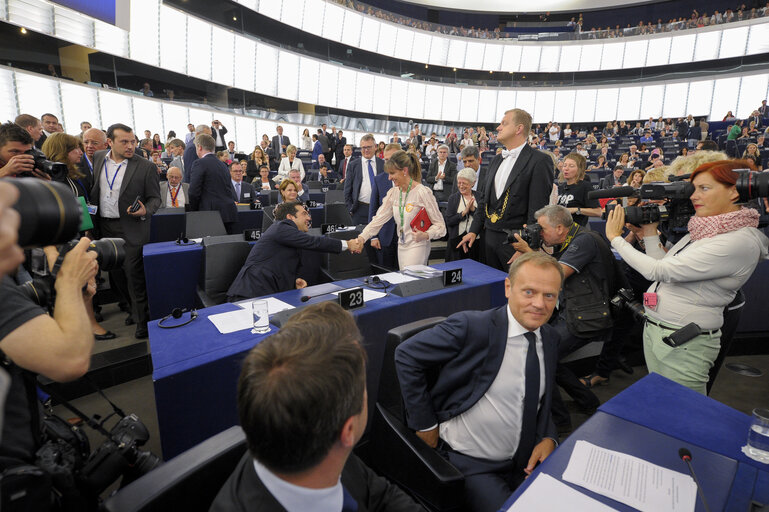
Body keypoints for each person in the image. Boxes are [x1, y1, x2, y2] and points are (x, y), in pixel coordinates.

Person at [210, 302, 423, 512]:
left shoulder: (325, 444)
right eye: (363, 388)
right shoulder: (326, 441)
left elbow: (380, 495)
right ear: (348, 431)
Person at [395, 252, 563, 512]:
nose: (539, 304)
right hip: (472, 465)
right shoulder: (472, 327)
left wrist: (549, 437)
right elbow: (406, 355)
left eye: (549, 295)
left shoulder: (550, 338)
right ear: (508, 288)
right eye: (529, 292)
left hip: (525, 460)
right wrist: (424, 423)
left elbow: (543, 397)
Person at [605, 159, 769, 394]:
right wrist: (650, 233)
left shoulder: (738, 240)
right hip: (661, 332)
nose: (693, 196)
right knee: (662, 402)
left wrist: (615, 238)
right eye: (694, 189)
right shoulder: (707, 229)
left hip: (684, 342)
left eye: (704, 188)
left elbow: (658, 271)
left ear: (734, 191)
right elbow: (666, 264)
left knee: (681, 414)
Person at [457, 109, 553, 271]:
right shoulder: (495, 160)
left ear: (519, 129)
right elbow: (484, 201)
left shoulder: (540, 161)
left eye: (504, 123)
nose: (498, 128)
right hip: (488, 241)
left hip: (516, 244)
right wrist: (474, 231)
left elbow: (537, 210)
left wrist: (526, 246)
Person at [91, 123, 161, 339]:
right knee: (116, 276)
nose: (131, 146)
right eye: (124, 142)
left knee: (134, 276)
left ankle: (142, 322)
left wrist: (144, 210)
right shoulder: (98, 158)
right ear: (109, 142)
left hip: (131, 228)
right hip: (105, 226)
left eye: (133, 142)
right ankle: (132, 309)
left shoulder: (145, 166)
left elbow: (155, 199)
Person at [227, 201, 350, 300]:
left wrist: (293, 282)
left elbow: (280, 265)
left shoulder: (290, 235)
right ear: (290, 217)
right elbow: (314, 242)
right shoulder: (282, 227)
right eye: (304, 214)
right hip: (249, 293)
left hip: (267, 294)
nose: (309, 218)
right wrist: (347, 244)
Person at [353, 150, 446, 268]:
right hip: (401, 246)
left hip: (417, 245)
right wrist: (362, 238)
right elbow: (378, 219)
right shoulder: (393, 193)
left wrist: (426, 234)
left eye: (392, 173)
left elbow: (440, 226)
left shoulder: (422, 192)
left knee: (411, 282)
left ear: (405, 171)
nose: (389, 178)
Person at [188, 133, 239, 234]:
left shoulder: (199, 163)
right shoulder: (224, 165)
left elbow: (193, 192)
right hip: (229, 213)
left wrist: (194, 210)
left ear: (199, 147)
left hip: (211, 215)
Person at [368, 143, 401, 270]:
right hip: (384, 237)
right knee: (385, 275)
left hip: (406, 238)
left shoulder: (413, 181)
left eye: (392, 158)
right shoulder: (379, 180)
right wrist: (373, 236)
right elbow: (373, 210)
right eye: (386, 160)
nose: (388, 163)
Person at [344, 134, 385, 225]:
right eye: (363, 147)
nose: (366, 150)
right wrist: (350, 208)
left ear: (375, 147)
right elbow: (347, 190)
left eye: (369, 147)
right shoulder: (353, 165)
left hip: (380, 210)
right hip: (359, 209)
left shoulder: (383, 164)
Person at [555, 153, 601, 227]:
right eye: (565, 165)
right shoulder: (562, 186)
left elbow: (598, 212)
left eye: (571, 166)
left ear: (580, 169)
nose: (566, 168)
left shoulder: (585, 186)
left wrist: (576, 210)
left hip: (577, 232)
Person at [445, 168, 480, 262]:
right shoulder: (453, 198)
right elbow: (449, 221)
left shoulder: (480, 197)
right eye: (459, 183)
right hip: (457, 243)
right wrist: (463, 213)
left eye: (464, 183)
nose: (461, 186)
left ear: (473, 183)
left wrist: (473, 210)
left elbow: (483, 218)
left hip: (477, 242)